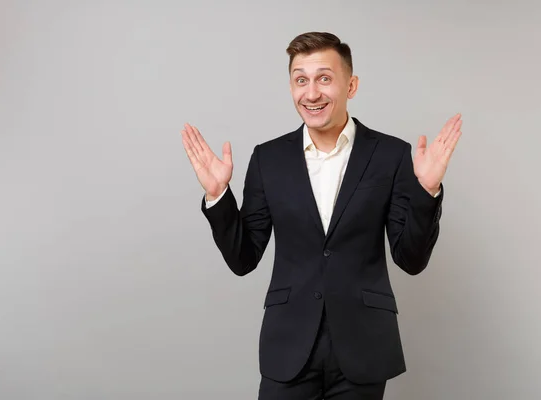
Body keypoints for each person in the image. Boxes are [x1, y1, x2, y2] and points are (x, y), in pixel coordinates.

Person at [181, 31, 462, 400]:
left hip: (362, 348)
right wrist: (218, 196)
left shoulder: (390, 155)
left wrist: (426, 192)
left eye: (324, 78)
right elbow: (243, 258)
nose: (311, 93)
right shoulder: (269, 159)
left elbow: (410, 259)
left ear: (351, 85)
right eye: (301, 80)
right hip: (289, 346)